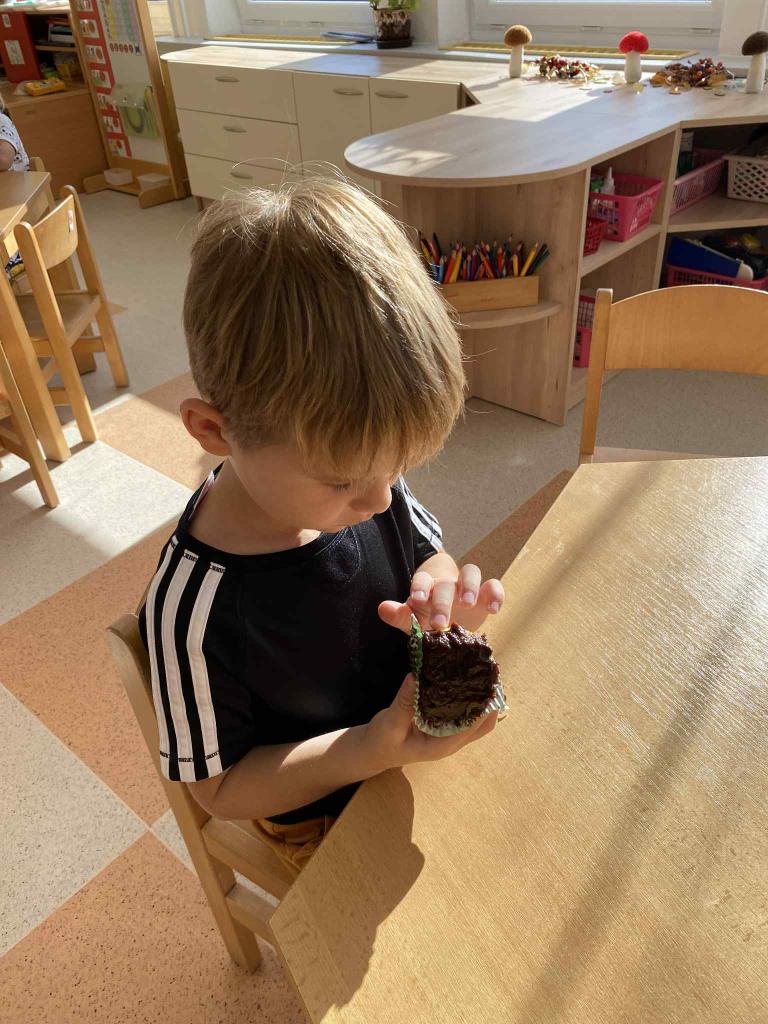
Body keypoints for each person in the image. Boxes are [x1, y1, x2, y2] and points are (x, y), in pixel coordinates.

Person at [139, 178, 504, 878]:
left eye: (396, 466)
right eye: (342, 481)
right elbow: (218, 789)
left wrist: (439, 594)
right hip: (318, 810)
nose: (379, 497)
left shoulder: (365, 476)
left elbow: (428, 554)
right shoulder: (191, 611)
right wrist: (366, 750)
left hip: (407, 748)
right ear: (214, 431)